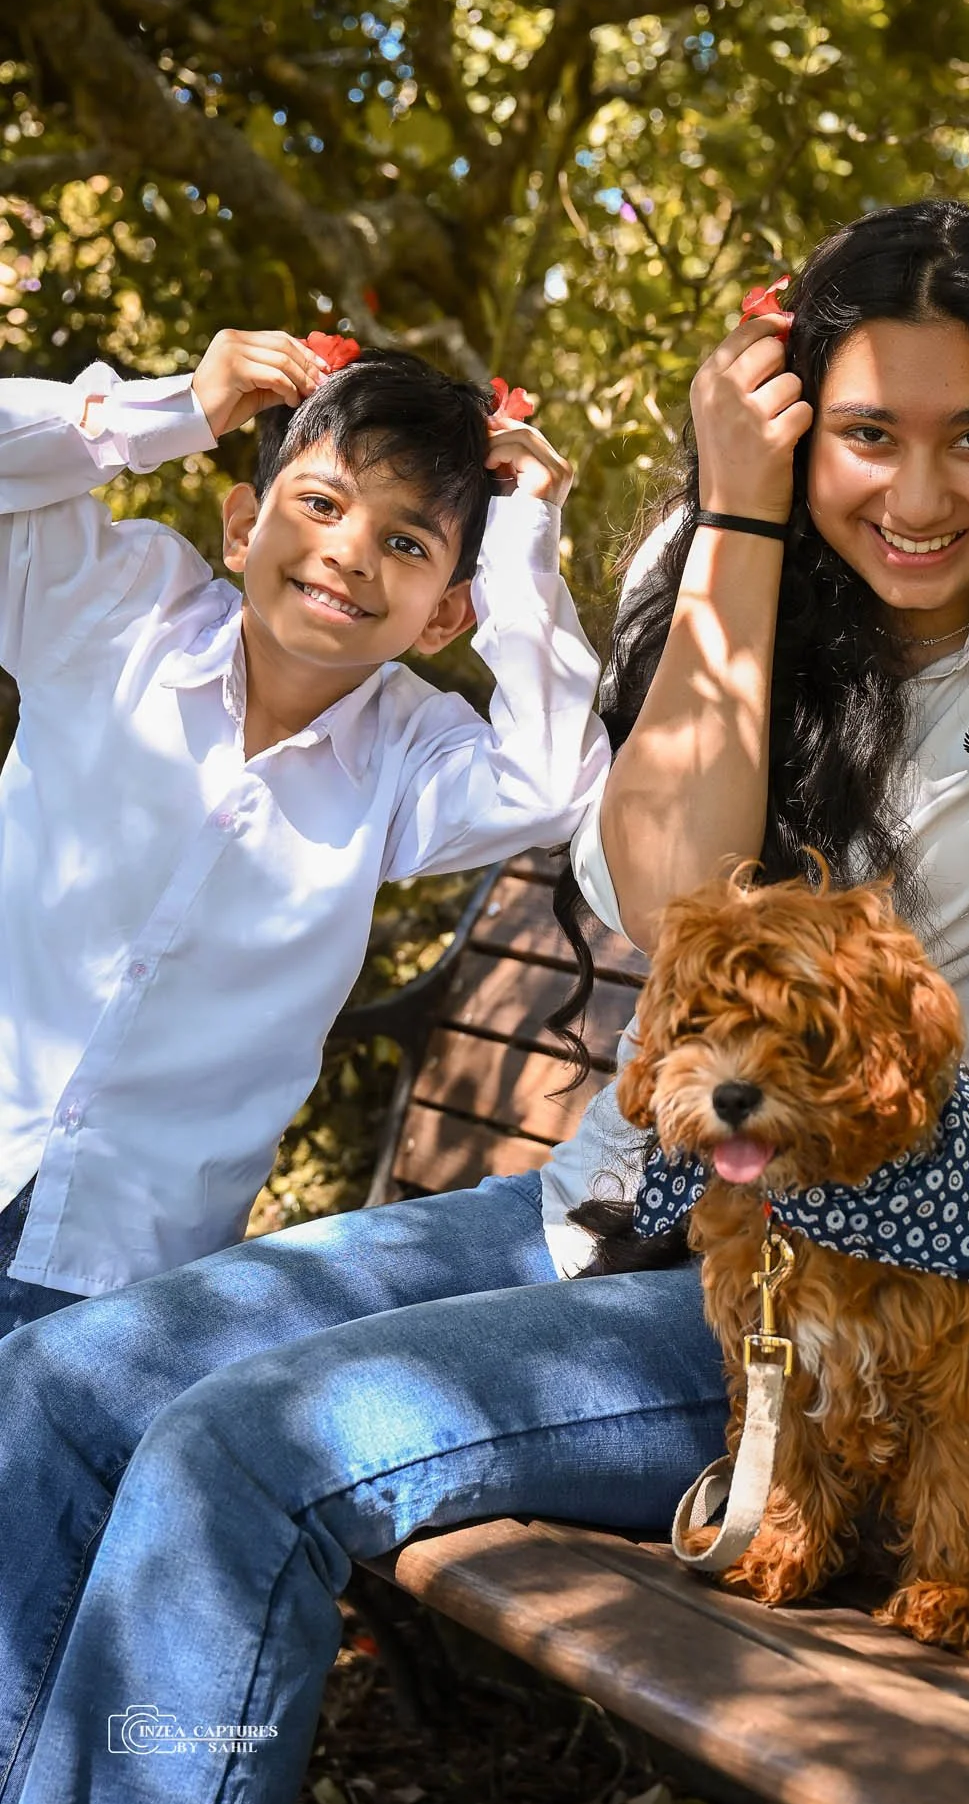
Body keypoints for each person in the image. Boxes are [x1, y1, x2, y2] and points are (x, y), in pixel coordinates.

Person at [0, 202, 969, 1804]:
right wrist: (739, 518)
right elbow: (678, 896)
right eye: (865, 436)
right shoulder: (716, 581)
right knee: (65, 1385)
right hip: (609, 1212)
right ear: (791, 427)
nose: (917, 499)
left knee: (239, 1442)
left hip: (848, 1297)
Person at [0, 331, 609, 1335]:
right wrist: (181, 409)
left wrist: (524, 535)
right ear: (243, 526)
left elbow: (552, 780)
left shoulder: (412, 758)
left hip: (122, 1278)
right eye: (321, 505)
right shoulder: (118, 608)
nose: (351, 552)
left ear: (445, 615)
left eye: (408, 543)